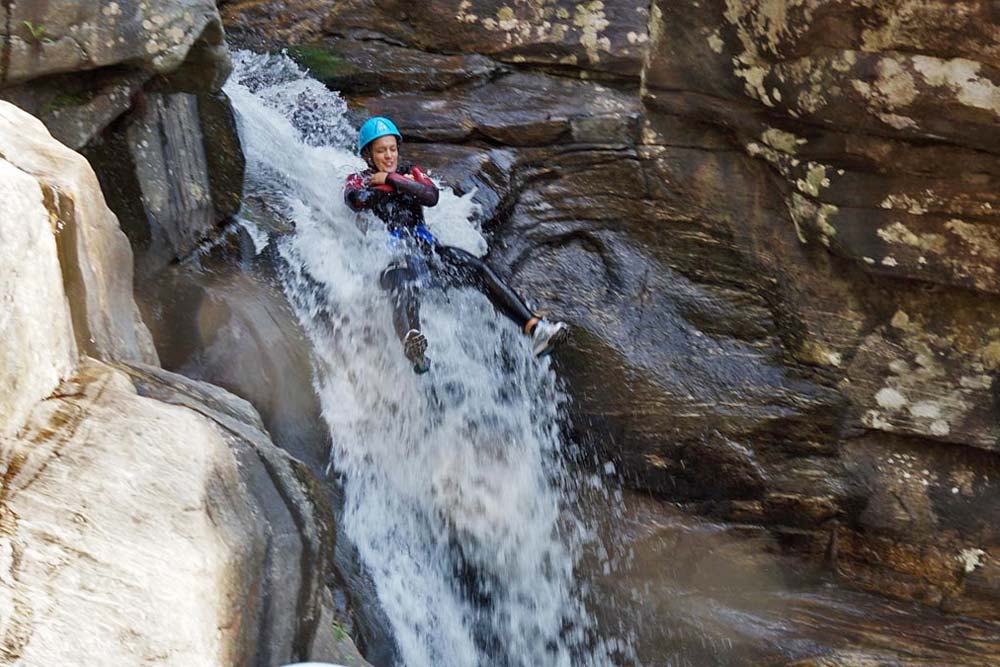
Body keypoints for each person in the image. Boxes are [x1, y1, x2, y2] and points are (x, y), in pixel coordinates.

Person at [344, 116, 568, 374]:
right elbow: (357, 200)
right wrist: (386, 185)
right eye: (381, 150)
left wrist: (392, 179)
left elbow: (430, 196)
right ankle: (414, 347)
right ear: (368, 155)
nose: (389, 155)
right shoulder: (358, 179)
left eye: (392, 148)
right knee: (405, 280)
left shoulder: (411, 173)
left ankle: (535, 329)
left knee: (477, 269)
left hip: (429, 253)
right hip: (389, 260)